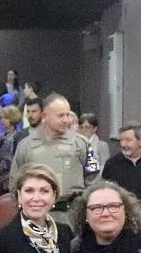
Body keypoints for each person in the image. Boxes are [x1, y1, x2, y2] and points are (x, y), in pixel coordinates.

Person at [10, 94, 95, 227]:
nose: (66, 120)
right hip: (36, 217)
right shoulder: (25, 146)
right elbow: (15, 183)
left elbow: (93, 181)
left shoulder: (82, 144)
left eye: (67, 115)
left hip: (72, 216)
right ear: (45, 116)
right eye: (60, 115)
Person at [0, 105, 23, 193]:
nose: (1, 120)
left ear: (12, 119)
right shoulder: (0, 136)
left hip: (9, 178)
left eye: (5, 118)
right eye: (1, 118)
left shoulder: (17, 137)